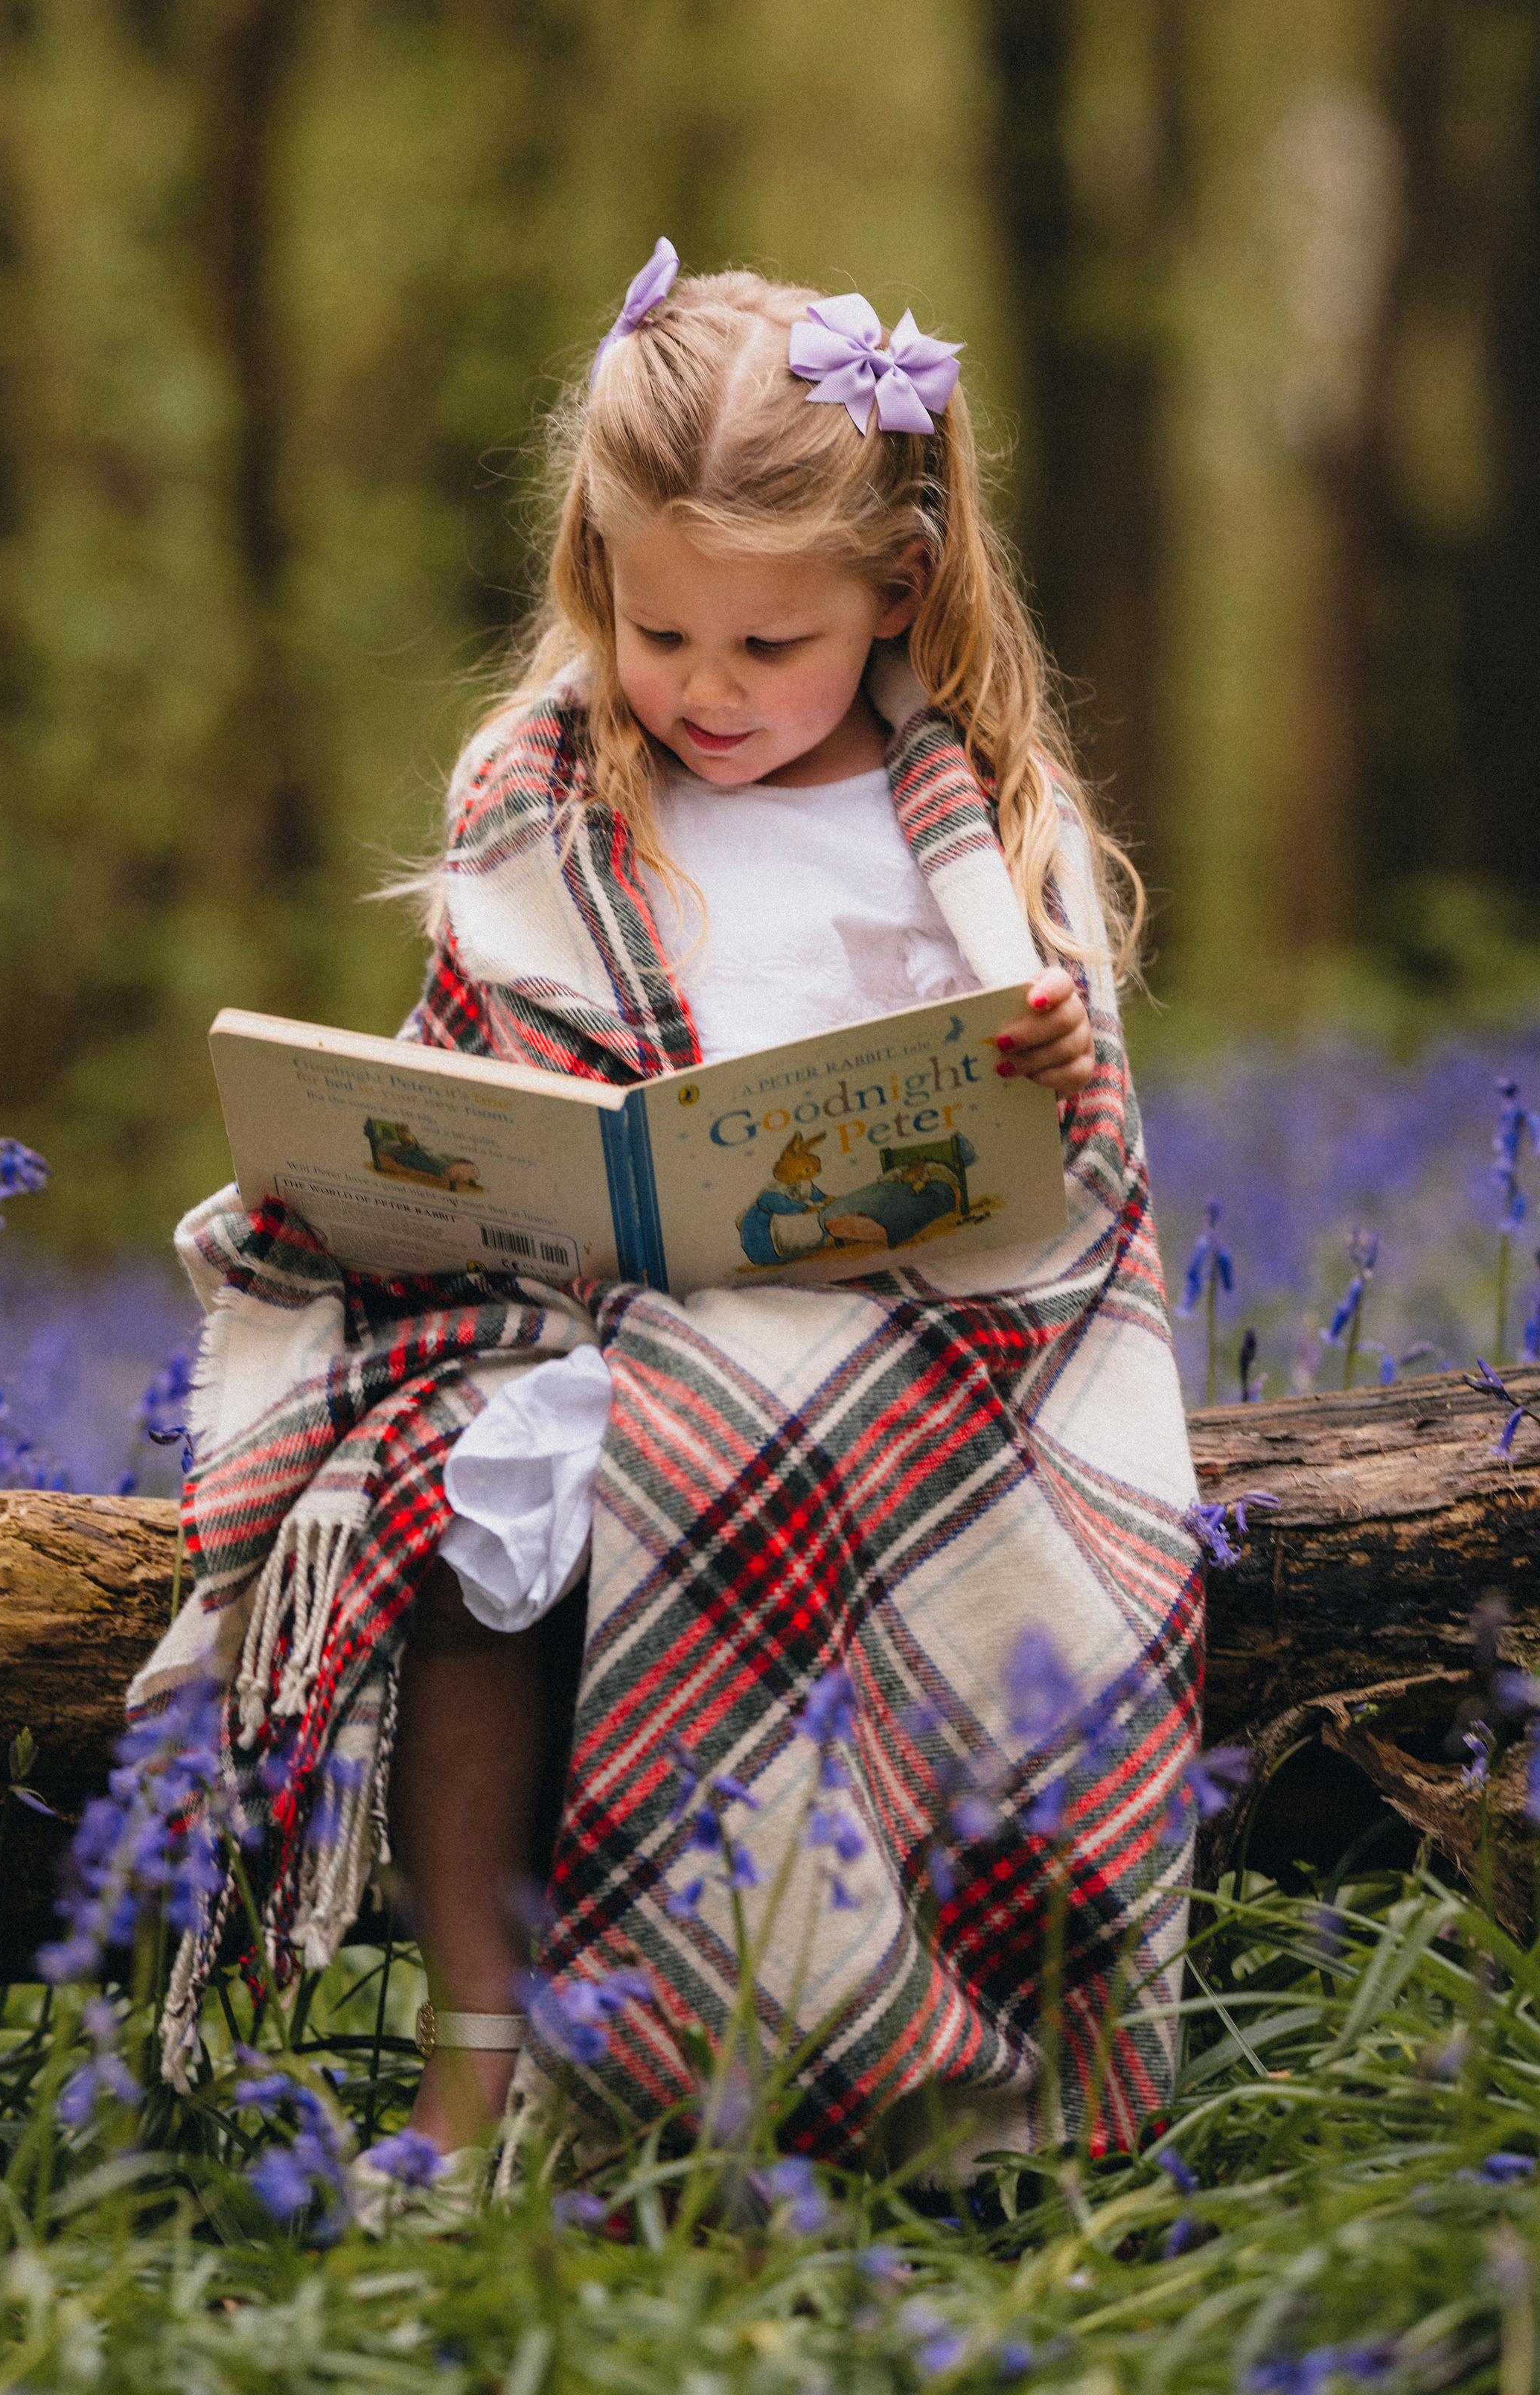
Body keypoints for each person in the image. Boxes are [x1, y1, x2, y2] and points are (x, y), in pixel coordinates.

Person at [140, 245, 1201, 2190]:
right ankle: (478, 2045)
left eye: (770, 647)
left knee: (714, 1431)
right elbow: (477, 1061)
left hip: (906, 1337)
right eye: (660, 633)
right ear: (592, 575)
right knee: (455, 1509)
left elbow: (1064, 1179)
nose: (708, 692)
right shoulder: (542, 792)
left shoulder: (976, 822)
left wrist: (1047, 1061)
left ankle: (786, 2049)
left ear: (899, 591)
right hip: (580, 1312)